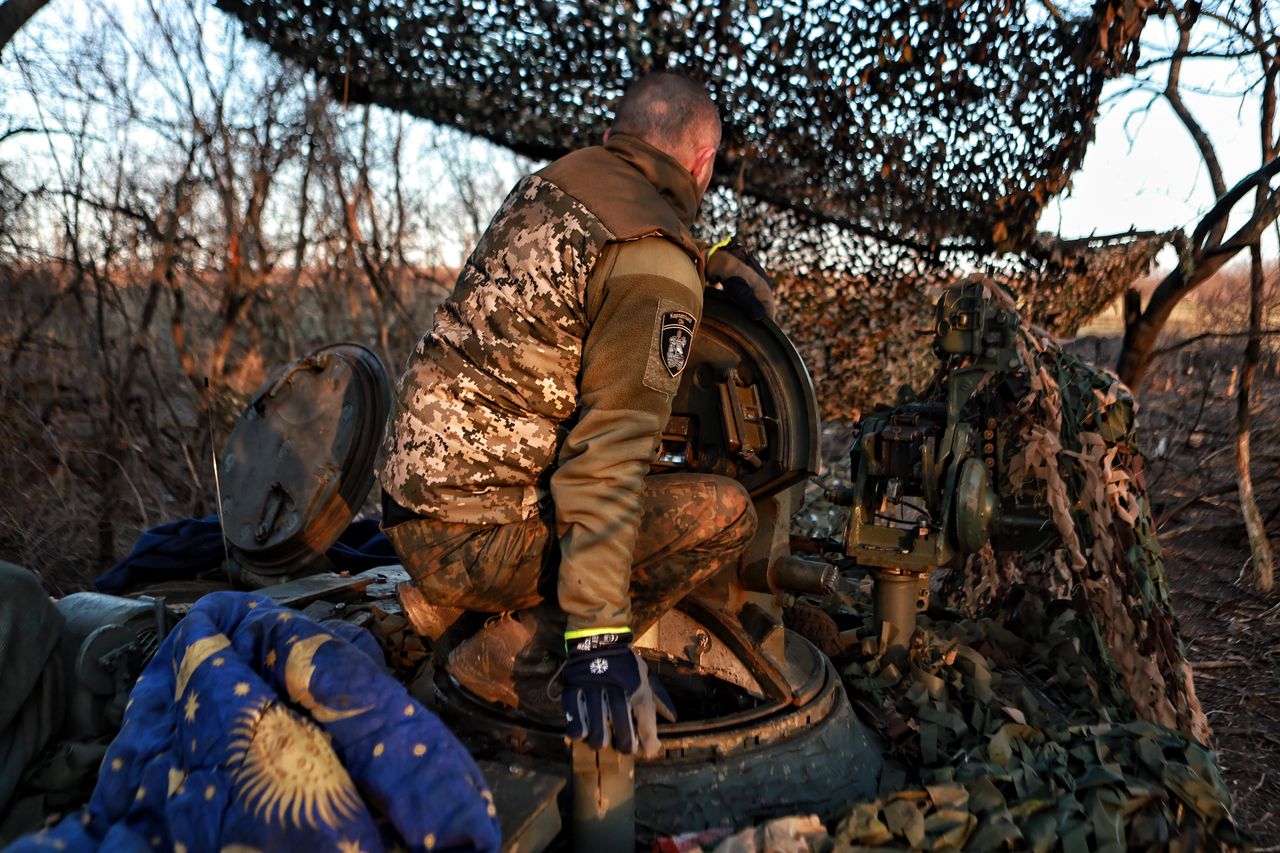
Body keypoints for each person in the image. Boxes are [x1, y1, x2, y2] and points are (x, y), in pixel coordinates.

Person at [376, 72, 771, 757]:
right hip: (474, 540)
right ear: (702, 163)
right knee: (725, 512)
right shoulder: (656, 265)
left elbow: (584, 272)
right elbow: (608, 457)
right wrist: (596, 640)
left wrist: (705, 261)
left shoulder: (549, 185)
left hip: (410, 509)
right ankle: (517, 655)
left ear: (623, 132)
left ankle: (457, 601)